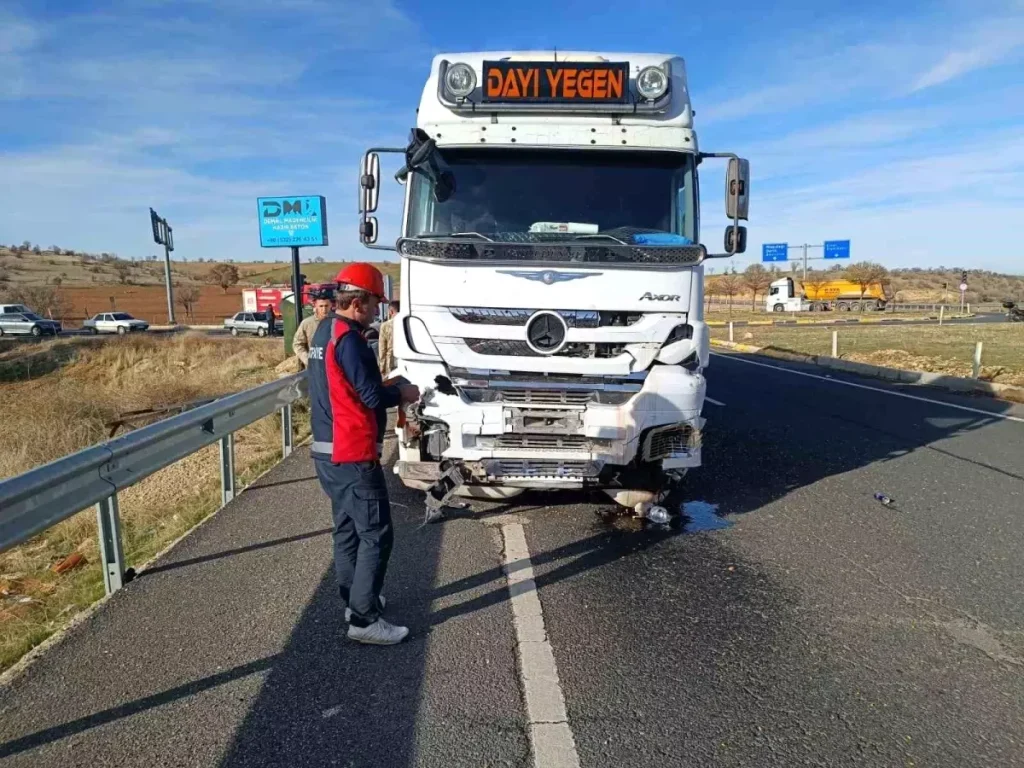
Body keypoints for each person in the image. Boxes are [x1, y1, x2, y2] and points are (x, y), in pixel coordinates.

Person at [306, 263, 420, 646]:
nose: (376, 311)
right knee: (376, 533)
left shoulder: (324, 331)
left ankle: (356, 600)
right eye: (373, 304)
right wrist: (401, 392)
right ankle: (364, 619)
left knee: (347, 531)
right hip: (353, 453)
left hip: (327, 452)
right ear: (357, 303)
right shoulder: (351, 340)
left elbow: (345, 387)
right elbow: (370, 396)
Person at [293, 288, 334, 367]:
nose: (324, 309)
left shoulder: (337, 322)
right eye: (321, 306)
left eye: (326, 306)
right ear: (316, 306)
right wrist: (308, 360)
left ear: (331, 305)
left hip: (332, 367)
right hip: (314, 367)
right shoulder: (307, 323)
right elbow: (297, 344)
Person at [377, 299, 400, 375]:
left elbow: (382, 349)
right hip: (406, 361)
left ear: (391, 311)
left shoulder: (385, 325)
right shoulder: (409, 322)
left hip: (391, 363)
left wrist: (382, 368)